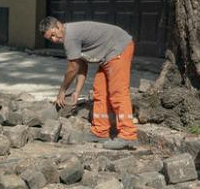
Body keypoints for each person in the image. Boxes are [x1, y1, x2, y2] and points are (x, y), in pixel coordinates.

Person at [39, 16, 137, 150]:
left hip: (119, 47)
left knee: (118, 92)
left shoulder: (70, 37)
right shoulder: (69, 35)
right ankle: (101, 131)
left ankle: (128, 135)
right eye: (50, 39)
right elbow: (82, 65)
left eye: (54, 35)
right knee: (100, 91)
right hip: (108, 54)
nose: (54, 40)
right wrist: (77, 92)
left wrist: (62, 91)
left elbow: (72, 69)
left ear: (59, 25)